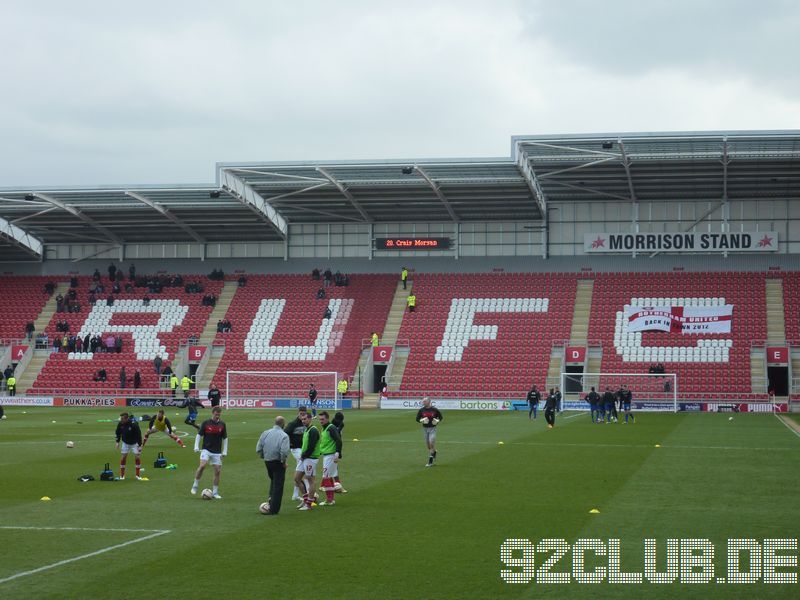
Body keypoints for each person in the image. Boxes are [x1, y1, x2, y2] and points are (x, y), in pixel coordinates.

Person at [191, 406, 228, 499]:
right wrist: (196, 446)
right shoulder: (206, 423)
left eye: (219, 414)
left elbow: (225, 438)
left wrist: (224, 451)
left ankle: (215, 493)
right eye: (216, 414)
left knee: (217, 471)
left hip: (217, 451)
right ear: (213, 413)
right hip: (206, 449)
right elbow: (199, 435)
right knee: (202, 466)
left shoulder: (222, 424)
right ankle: (195, 485)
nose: (217, 416)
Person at [256, 415, 290, 515]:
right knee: (278, 485)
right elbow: (284, 452)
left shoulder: (265, 433)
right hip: (278, 462)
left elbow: (258, 448)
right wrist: (283, 462)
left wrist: (264, 456)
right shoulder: (284, 435)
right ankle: (273, 509)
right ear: (283, 424)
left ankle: (270, 501)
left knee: (273, 481)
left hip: (267, 461)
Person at [295, 411, 320, 510]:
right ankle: (305, 499)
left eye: (305, 419)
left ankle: (309, 504)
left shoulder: (313, 430)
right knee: (297, 478)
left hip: (310, 458)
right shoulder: (307, 430)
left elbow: (311, 446)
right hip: (305, 458)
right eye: (302, 419)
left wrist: (304, 455)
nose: (303, 421)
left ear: (310, 419)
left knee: (310, 480)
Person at [318, 411, 343, 506]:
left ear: (327, 419)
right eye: (320, 419)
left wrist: (337, 453)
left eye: (323, 419)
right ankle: (331, 499)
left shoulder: (330, 428)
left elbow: (338, 440)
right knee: (329, 477)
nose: (321, 421)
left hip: (331, 456)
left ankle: (329, 500)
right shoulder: (324, 428)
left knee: (326, 477)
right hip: (326, 455)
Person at [284, 406, 308, 502]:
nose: (302, 415)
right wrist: (289, 444)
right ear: (298, 413)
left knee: (301, 471)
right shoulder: (293, 424)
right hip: (296, 449)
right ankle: (308, 491)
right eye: (301, 413)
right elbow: (284, 434)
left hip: (302, 449)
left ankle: (295, 495)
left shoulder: (305, 423)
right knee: (303, 469)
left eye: (304, 413)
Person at [115, 412, 143, 480]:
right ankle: (122, 475)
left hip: (134, 443)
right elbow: (117, 432)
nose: (121, 420)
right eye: (120, 418)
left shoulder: (134, 424)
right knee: (123, 457)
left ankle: (138, 475)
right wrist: (117, 442)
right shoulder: (120, 424)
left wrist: (139, 445)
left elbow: (139, 434)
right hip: (125, 443)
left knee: (137, 457)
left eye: (122, 418)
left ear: (127, 418)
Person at [416, 397, 443, 467]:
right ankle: (434, 452)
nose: (423, 402)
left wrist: (437, 421)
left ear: (429, 401)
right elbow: (417, 419)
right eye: (423, 401)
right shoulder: (421, 410)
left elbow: (440, 417)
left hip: (433, 429)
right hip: (425, 429)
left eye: (425, 401)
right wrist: (421, 420)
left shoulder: (434, 410)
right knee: (429, 446)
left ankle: (430, 462)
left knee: (431, 444)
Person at [331, 411, 347, 493]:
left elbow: (337, 433)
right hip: (334, 445)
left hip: (337, 443)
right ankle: (338, 486)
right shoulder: (332, 423)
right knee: (334, 467)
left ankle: (323, 485)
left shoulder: (341, 424)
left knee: (331, 467)